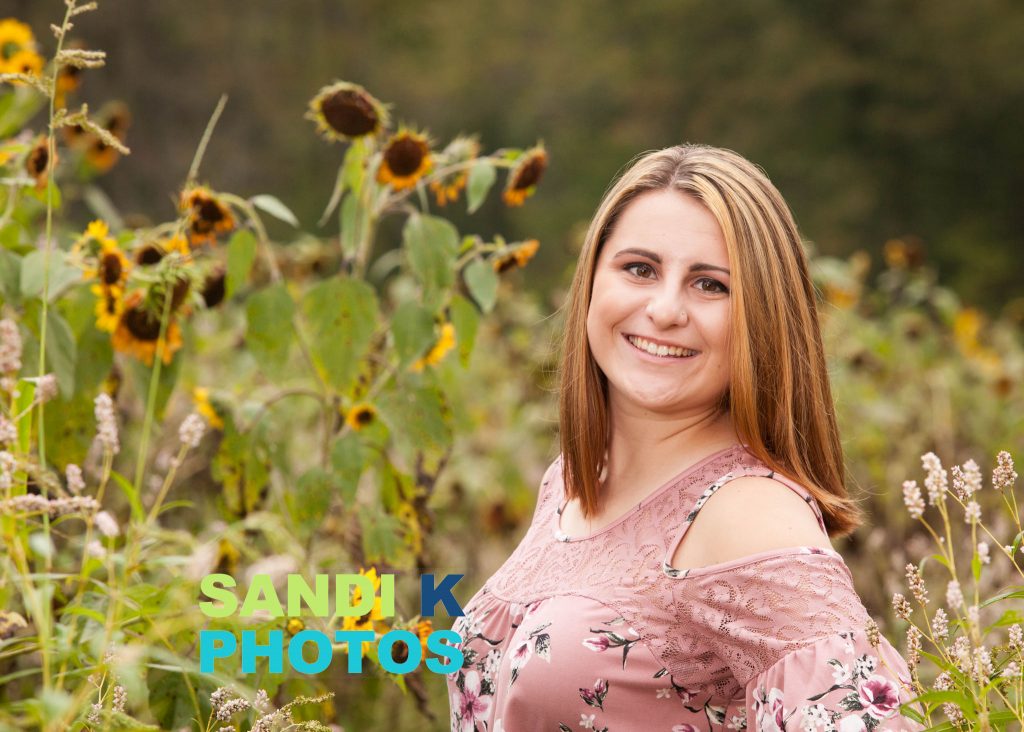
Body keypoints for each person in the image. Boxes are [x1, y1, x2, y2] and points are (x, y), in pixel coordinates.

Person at [447, 144, 924, 732]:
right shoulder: (573, 480)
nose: (665, 309)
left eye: (710, 285)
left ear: (763, 316)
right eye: (639, 269)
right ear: (593, 282)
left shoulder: (746, 513)